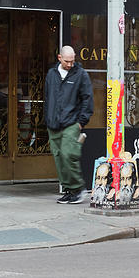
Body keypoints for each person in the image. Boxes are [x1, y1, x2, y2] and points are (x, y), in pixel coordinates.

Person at [44, 46, 94, 205]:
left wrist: (81, 123)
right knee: (59, 159)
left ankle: (78, 188)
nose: (70, 64)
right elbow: (47, 97)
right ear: (59, 58)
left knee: (68, 154)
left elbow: (87, 99)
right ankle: (68, 190)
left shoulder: (81, 75)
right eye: (67, 61)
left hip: (72, 123)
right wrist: (47, 118)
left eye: (72, 61)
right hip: (53, 123)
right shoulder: (51, 74)